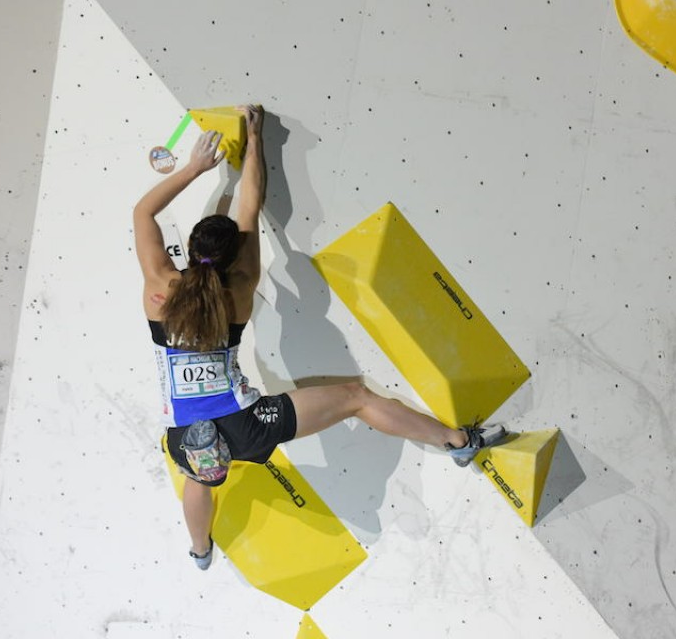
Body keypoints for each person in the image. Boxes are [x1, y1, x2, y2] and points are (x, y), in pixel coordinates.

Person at [133, 105, 506, 570]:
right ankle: (457, 442)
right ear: (232, 259)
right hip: (246, 425)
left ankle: (201, 550)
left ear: (189, 250)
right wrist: (254, 139)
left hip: (187, 433)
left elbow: (144, 211)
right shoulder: (241, 285)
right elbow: (250, 206)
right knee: (355, 397)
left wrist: (192, 168)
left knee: (200, 476)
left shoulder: (159, 290)